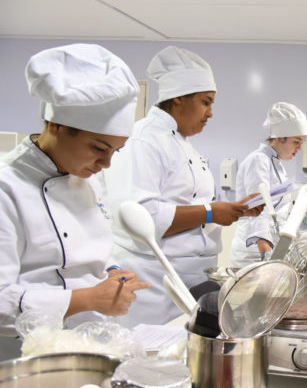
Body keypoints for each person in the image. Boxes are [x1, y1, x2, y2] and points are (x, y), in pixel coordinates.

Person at [0, 44, 150, 360]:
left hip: (89, 346)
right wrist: (87, 299)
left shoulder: (84, 178)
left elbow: (92, 247)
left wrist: (112, 272)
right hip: (28, 357)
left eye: (114, 152)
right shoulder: (7, 187)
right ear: (56, 125)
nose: (106, 164)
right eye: (99, 148)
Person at [102, 46, 262, 327]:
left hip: (191, 278)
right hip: (156, 285)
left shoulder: (182, 144)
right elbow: (144, 219)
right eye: (205, 102)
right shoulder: (143, 141)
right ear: (177, 98)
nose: (211, 113)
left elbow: (191, 209)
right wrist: (211, 212)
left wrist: (235, 210)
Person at [229, 102, 307, 267]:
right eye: (296, 142)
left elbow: (277, 212)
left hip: (269, 248)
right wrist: (264, 249)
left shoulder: (276, 164)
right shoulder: (259, 160)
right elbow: (259, 208)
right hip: (253, 253)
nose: (300, 148)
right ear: (280, 137)